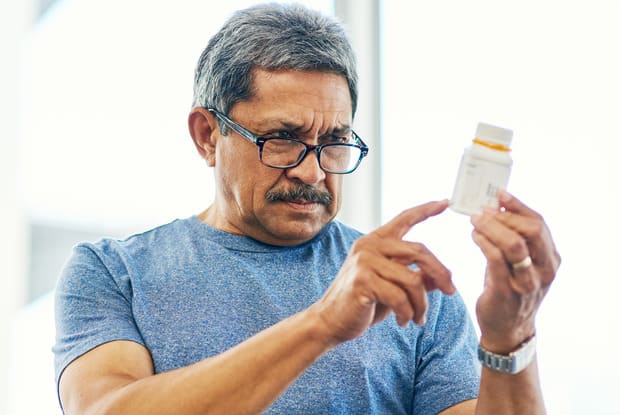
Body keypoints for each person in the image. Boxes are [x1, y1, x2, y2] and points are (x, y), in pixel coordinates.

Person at [53, 3, 561, 414]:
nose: (313, 173)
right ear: (208, 136)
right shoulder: (113, 272)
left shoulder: (408, 288)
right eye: (282, 139)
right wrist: (322, 323)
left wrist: (510, 338)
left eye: (334, 142)